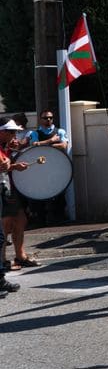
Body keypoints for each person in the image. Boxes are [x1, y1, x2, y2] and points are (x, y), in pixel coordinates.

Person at [0, 118, 31, 295]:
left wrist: (13, 166)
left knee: (3, 234)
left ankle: (1, 279)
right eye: (11, 132)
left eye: (15, 132)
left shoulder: (5, 146)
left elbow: (4, 165)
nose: (14, 135)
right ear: (2, 131)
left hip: (4, 191)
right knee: (1, 234)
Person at [26, 108, 69, 225]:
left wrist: (43, 144)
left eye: (50, 117)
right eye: (45, 118)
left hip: (57, 166)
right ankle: (41, 218)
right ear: (40, 119)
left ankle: (58, 217)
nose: (48, 120)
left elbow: (64, 146)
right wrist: (51, 141)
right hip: (41, 168)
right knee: (41, 192)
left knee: (58, 192)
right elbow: (34, 146)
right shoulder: (35, 133)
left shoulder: (60, 131)